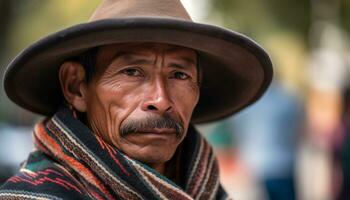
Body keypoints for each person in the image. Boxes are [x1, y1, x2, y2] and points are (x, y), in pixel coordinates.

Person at [0, 0, 272, 199]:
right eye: (131, 72)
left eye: (179, 74)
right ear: (77, 87)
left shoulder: (209, 191)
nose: (161, 99)